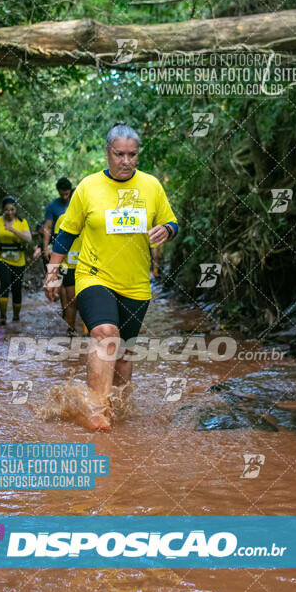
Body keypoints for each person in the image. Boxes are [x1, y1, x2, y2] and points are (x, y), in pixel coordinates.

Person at [44, 122, 178, 430]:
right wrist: (53, 272)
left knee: (124, 354)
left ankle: (119, 411)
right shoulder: (89, 187)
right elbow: (66, 234)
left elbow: (172, 223)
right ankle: (96, 409)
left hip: (135, 284)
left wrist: (167, 230)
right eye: (119, 154)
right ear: (108, 153)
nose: (126, 161)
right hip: (94, 276)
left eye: (132, 154)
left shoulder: (151, 186)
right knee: (106, 334)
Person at [0, 196, 31, 325]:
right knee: (5, 284)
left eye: (12, 209)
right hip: (1, 258)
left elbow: (28, 238)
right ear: (3, 210)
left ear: (16, 210)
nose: (9, 212)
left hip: (18, 260)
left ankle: (16, 316)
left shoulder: (22, 222)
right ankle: (3, 316)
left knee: (17, 288)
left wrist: (13, 230)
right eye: (6, 210)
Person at [53, 214, 84, 335]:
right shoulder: (62, 218)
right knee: (72, 299)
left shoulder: (93, 215)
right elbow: (57, 241)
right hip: (68, 266)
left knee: (85, 300)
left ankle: (88, 331)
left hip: (87, 265)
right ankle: (71, 329)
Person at [43, 177, 74, 261]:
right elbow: (47, 227)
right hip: (56, 241)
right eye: (61, 194)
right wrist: (45, 248)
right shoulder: (52, 206)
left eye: (66, 194)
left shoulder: (75, 204)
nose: (64, 197)